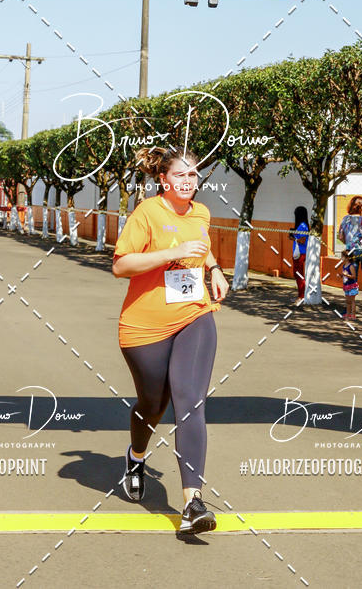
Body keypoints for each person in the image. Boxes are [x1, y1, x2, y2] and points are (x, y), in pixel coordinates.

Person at [112, 147, 229, 534]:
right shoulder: (147, 212)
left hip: (194, 315)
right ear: (164, 179)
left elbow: (202, 241)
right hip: (144, 328)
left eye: (194, 176)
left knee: (190, 401)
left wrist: (213, 269)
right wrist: (172, 253)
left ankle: (192, 503)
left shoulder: (201, 212)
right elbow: (121, 265)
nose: (188, 182)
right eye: (180, 175)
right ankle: (136, 455)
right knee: (152, 404)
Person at [288, 206, 309, 302]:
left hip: (301, 253)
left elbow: (302, 240)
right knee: (297, 274)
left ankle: (302, 296)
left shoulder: (303, 226)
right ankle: (300, 295)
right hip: (298, 253)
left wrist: (294, 238)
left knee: (299, 274)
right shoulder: (300, 225)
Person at [341, 251, 359, 319]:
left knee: (352, 300)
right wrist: (341, 275)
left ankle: (353, 314)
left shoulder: (351, 266)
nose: (341, 258)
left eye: (342, 256)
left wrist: (347, 275)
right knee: (347, 301)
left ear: (347, 258)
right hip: (346, 285)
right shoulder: (343, 266)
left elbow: (354, 276)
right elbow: (344, 275)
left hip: (352, 286)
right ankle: (348, 313)